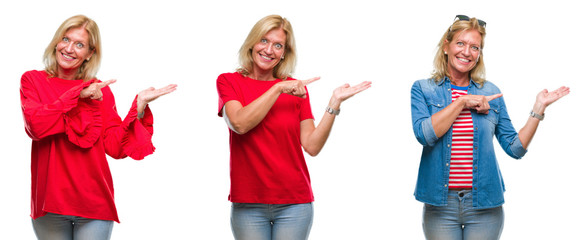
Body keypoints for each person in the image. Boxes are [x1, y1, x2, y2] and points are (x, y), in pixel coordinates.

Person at [410, 15, 569, 239]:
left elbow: (515, 149)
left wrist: (538, 109)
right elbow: (425, 135)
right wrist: (463, 101)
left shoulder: (489, 92)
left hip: (484, 205)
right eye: (460, 43)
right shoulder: (423, 89)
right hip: (440, 206)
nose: (467, 52)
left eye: (475, 47)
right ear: (446, 46)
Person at [20, 15, 177, 240]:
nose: (69, 48)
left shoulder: (99, 90)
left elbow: (114, 147)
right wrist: (77, 95)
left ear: (90, 54)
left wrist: (139, 107)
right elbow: (36, 126)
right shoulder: (32, 80)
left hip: (94, 202)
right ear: (57, 41)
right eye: (65, 39)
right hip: (49, 202)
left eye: (79, 44)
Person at [216, 15, 371, 240]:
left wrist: (334, 103)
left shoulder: (296, 90)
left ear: (284, 54)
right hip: (248, 203)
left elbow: (312, 145)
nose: (269, 50)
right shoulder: (229, 81)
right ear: (252, 43)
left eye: (278, 46)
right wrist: (277, 89)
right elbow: (240, 123)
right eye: (264, 41)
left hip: (294, 203)